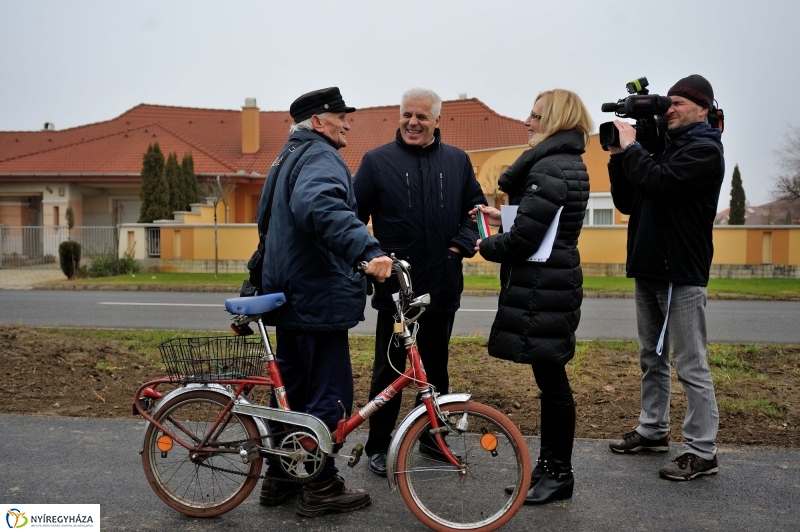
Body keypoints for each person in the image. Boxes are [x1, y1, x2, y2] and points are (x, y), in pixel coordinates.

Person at [256, 87, 393, 516]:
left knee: (292, 396)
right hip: (318, 297)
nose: (347, 122)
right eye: (340, 116)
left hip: (290, 299)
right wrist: (367, 252)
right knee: (328, 394)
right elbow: (321, 205)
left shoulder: (285, 159)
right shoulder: (319, 157)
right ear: (318, 122)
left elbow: (266, 236)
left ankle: (280, 479)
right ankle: (321, 486)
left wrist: (252, 292)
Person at [353, 87, 486, 477]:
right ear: (400, 116)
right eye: (407, 114)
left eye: (422, 117)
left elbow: (474, 214)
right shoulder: (376, 162)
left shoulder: (458, 161)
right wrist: (371, 259)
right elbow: (354, 220)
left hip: (442, 287)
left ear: (437, 120)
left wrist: (456, 251)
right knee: (389, 371)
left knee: (435, 370)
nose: (413, 122)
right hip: (397, 291)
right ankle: (379, 446)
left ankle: (430, 437)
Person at [472, 88, 593, 504]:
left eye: (536, 115)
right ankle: (549, 468)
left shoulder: (549, 168)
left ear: (556, 120)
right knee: (550, 380)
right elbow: (544, 221)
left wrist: (486, 246)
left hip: (547, 286)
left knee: (553, 383)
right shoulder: (565, 163)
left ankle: (559, 473)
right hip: (553, 281)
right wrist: (502, 216)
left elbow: (526, 239)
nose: (527, 121)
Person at [606, 74, 724, 481]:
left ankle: (702, 451)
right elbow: (627, 199)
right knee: (650, 358)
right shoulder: (664, 147)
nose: (668, 110)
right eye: (666, 103)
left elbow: (659, 183)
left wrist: (634, 148)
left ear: (702, 108)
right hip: (649, 267)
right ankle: (653, 430)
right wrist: (618, 156)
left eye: (677, 103)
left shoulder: (705, 150)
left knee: (691, 364)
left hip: (682, 273)